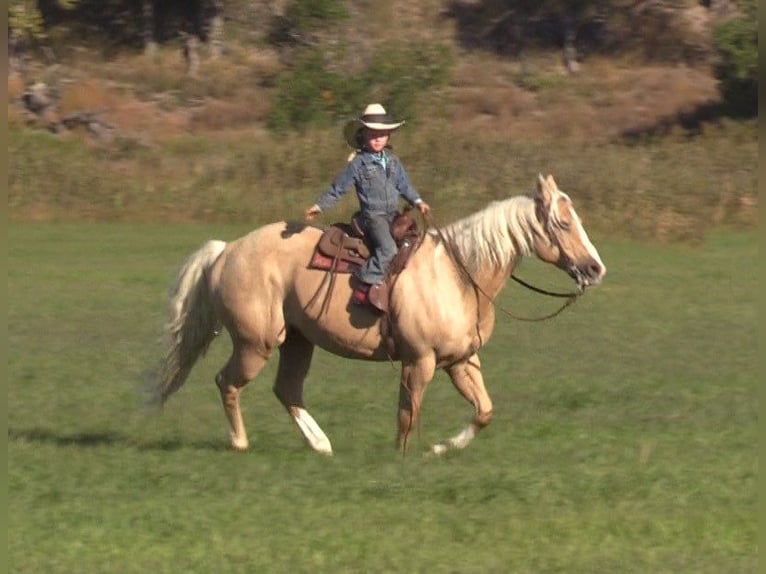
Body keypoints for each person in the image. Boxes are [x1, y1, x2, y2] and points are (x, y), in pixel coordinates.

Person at [305, 103, 431, 304]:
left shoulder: (392, 161)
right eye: (372, 134)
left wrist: (418, 201)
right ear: (363, 135)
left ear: (388, 135)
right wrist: (319, 206)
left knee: (415, 243)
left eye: (382, 134)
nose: (378, 138)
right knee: (388, 250)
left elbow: (404, 184)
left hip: (393, 215)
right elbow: (339, 188)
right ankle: (365, 281)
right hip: (373, 217)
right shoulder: (358, 164)